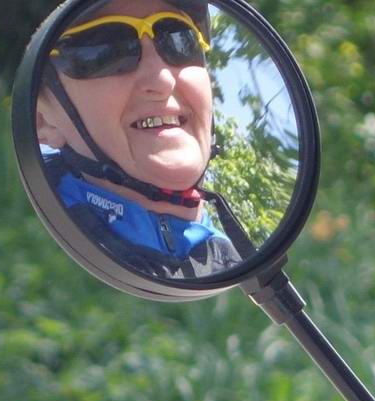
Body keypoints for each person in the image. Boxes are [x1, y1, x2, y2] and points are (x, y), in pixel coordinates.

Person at [35, 0, 250, 279]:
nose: (162, 81)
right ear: (43, 120)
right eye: (107, 51)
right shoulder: (32, 239)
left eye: (179, 40)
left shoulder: (236, 260)